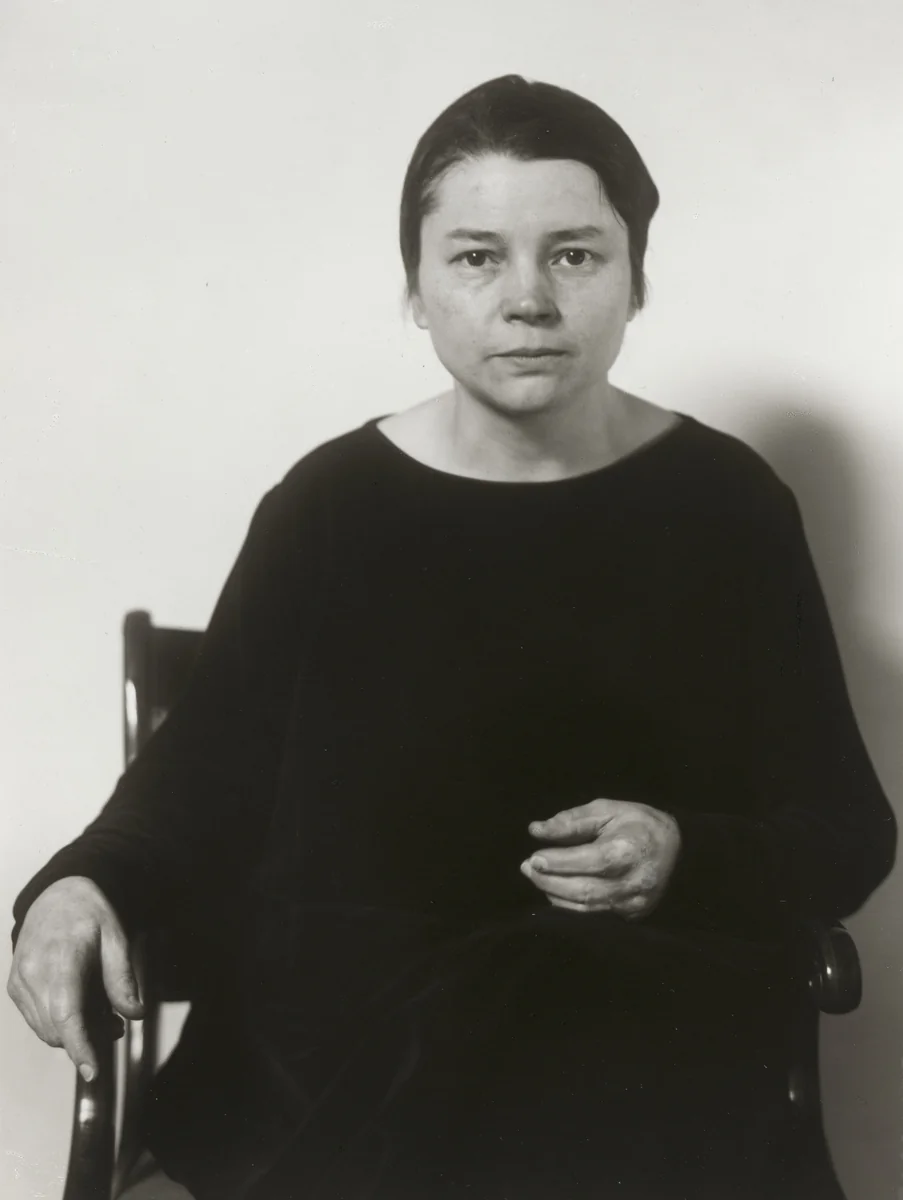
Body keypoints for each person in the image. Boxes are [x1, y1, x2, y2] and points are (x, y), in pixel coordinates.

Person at [7, 75, 896, 1200]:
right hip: (345, 1060)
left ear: (637, 279)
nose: (527, 298)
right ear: (416, 291)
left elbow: (846, 828)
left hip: (637, 1075)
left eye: (573, 254)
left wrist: (686, 852)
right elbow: (195, 785)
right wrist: (78, 883)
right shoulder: (328, 508)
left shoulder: (731, 505)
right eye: (477, 257)